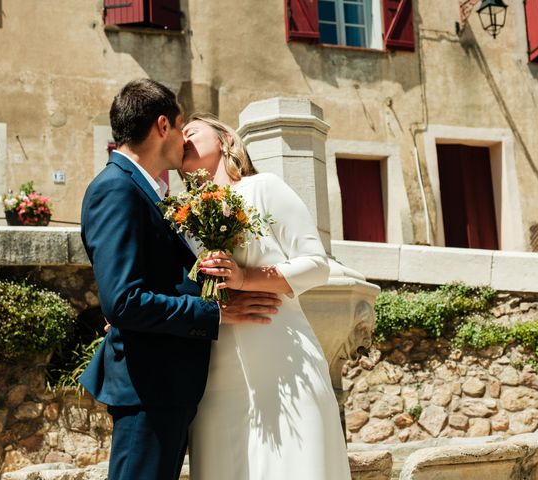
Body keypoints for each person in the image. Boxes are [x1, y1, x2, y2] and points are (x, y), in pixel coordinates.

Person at [78, 79, 282, 480]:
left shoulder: (147, 190)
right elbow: (123, 303)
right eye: (182, 125)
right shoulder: (116, 188)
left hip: (165, 387)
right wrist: (215, 313)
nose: (185, 141)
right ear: (162, 126)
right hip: (148, 387)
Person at [181, 114, 352, 480]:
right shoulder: (184, 214)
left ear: (226, 138)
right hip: (214, 374)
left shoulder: (265, 188)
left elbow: (316, 265)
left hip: (282, 356)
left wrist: (245, 278)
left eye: (192, 131)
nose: (183, 138)